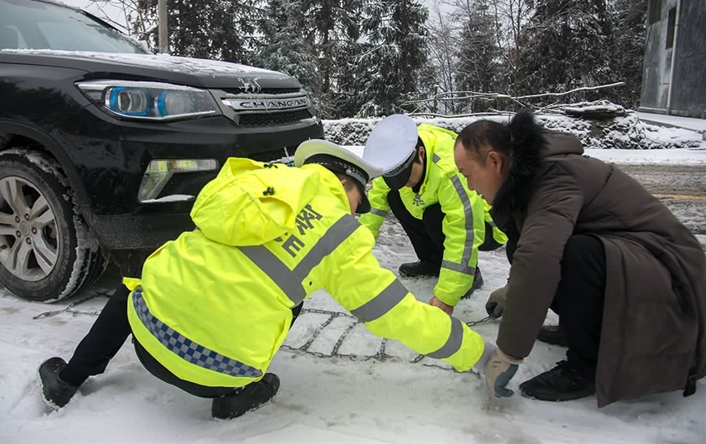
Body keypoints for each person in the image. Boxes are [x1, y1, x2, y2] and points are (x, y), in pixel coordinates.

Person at [38, 139, 495, 419]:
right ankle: (238, 392)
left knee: (146, 274)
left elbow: (201, 212)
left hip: (146, 333)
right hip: (216, 374)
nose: (358, 211)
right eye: (359, 200)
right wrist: (475, 350)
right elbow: (399, 317)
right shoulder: (342, 234)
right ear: (349, 188)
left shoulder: (256, 180)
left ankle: (71, 378)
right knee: (288, 293)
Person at [453, 109, 706, 406]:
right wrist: (513, 290)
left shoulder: (554, 176)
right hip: (645, 273)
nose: (470, 187)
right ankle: (582, 330)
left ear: (495, 161)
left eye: (468, 175)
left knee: (573, 255)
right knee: (526, 249)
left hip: (678, 289)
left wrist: (507, 354)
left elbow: (540, 259)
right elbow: (532, 247)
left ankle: (587, 366)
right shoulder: (531, 176)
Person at [360, 114, 506, 316]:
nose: (405, 182)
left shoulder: (449, 169)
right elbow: (375, 204)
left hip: (487, 226)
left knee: (433, 214)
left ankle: (470, 275)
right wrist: (357, 248)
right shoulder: (398, 157)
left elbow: (464, 230)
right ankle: (432, 261)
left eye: (407, 176)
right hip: (436, 209)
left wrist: (447, 294)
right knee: (395, 197)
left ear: (421, 154)